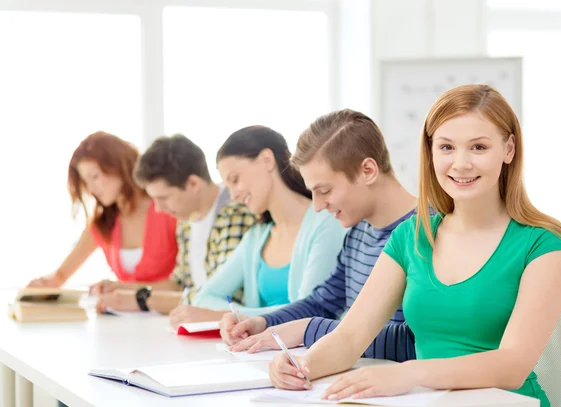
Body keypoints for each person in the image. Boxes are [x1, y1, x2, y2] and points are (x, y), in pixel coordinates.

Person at [268, 85, 561, 407]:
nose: (460, 163)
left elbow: (512, 365)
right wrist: (303, 364)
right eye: (446, 147)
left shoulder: (545, 245)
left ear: (509, 149)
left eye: (478, 147)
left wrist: (410, 374)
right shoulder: (411, 237)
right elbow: (350, 337)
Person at [219, 109, 421, 364]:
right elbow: (323, 302)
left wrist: (307, 329)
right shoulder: (359, 233)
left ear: (368, 171)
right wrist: (264, 322)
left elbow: (417, 340)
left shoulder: (430, 232)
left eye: (324, 190)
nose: (317, 206)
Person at [170, 125, 346, 327]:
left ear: (267, 160)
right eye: (228, 187)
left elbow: (310, 311)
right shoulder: (256, 237)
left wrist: (231, 316)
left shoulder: (327, 223)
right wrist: (237, 317)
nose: (234, 194)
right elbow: (204, 297)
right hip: (262, 354)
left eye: (235, 180)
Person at [94, 134, 256, 315]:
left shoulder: (234, 213)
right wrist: (125, 288)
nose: (158, 208)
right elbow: (179, 284)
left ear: (193, 183)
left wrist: (141, 299)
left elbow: (223, 298)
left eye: (163, 198)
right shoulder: (187, 221)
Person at [28, 131, 178, 289]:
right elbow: (60, 276)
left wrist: (121, 289)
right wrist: (39, 286)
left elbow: (183, 284)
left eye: (94, 176)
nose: (91, 188)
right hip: (124, 314)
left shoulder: (167, 209)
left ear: (118, 166)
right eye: (86, 181)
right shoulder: (103, 224)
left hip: (173, 312)